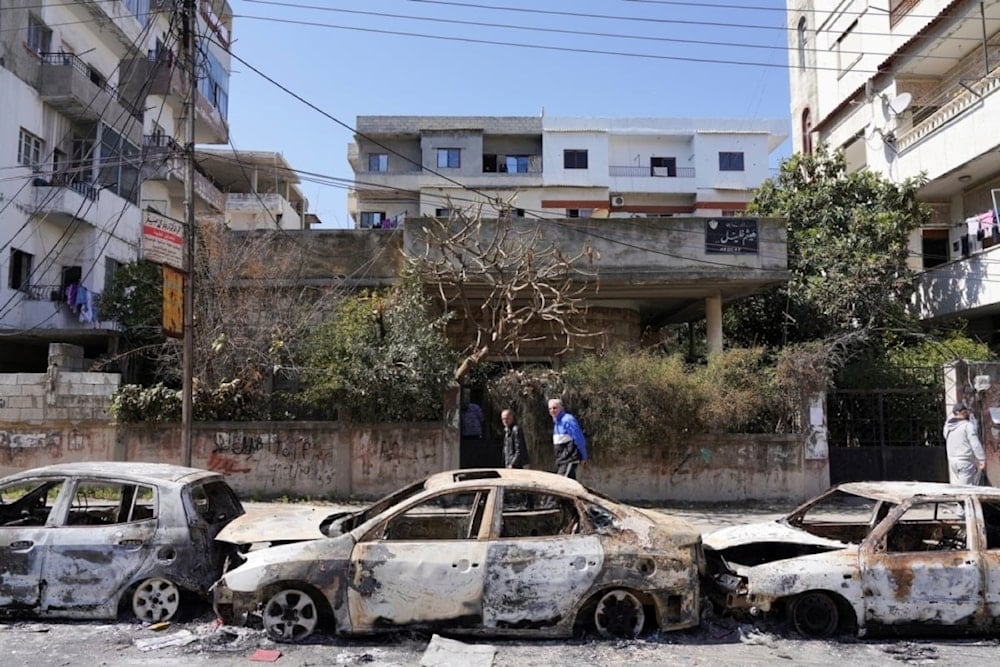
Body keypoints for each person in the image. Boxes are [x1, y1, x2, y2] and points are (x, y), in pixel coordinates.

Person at [943, 401, 987, 485]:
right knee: (967, 489)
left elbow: (947, 438)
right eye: (966, 412)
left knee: (959, 486)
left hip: (952, 461)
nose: (968, 414)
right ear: (963, 412)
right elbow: (975, 443)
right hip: (965, 462)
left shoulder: (947, 427)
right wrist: (981, 458)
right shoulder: (967, 426)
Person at [548, 397, 587, 479]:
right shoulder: (556, 423)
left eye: (555, 408)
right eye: (550, 409)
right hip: (561, 460)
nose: (552, 410)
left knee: (561, 483)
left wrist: (583, 457)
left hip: (569, 460)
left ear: (561, 408)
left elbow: (579, 438)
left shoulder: (567, 419)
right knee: (570, 483)